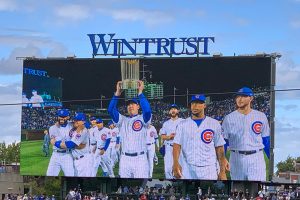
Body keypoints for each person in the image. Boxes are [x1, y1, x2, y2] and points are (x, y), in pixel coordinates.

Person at [173, 94, 227, 180]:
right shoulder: (182, 124)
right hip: (188, 167)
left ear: (204, 105)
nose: (195, 106)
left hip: (209, 168)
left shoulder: (214, 123)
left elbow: (219, 148)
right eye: (193, 103)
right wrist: (175, 163)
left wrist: (222, 171)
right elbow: (176, 145)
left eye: (199, 103)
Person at [222, 87, 270, 181]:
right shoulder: (229, 118)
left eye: (243, 96)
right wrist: (223, 159)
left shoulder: (261, 116)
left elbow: (266, 140)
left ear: (251, 98)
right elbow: (224, 141)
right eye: (237, 97)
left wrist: (271, 159)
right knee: (236, 187)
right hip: (236, 157)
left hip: (256, 157)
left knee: (258, 186)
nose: (239, 99)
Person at [108, 80, 152, 178]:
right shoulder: (122, 120)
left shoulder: (143, 118)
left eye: (133, 104)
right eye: (128, 104)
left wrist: (140, 93)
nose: (130, 106)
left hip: (140, 159)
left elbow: (148, 110)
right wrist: (117, 94)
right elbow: (110, 110)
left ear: (138, 106)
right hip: (125, 159)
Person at [56, 112, 92, 177]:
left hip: (84, 161)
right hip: (77, 160)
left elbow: (71, 145)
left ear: (83, 121)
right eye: (75, 120)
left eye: (77, 120)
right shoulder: (77, 129)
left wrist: (57, 143)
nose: (75, 122)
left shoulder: (82, 130)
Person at [46, 109, 75, 176]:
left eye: (64, 116)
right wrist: (57, 143)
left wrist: (57, 143)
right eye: (60, 116)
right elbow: (52, 141)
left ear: (68, 117)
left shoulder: (72, 126)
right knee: (49, 175)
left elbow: (83, 125)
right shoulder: (52, 128)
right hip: (55, 155)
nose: (61, 118)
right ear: (57, 117)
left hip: (67, 155)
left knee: (70, 175)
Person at [159, 104, 184, 179]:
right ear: (169, 111)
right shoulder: (166, 123)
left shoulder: (183, 121)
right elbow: (162, 136)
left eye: (175, 109)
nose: (173, 110)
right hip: (169, 148)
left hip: (180, 148)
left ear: (178, 111)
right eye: (171, 109)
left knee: (180, 170)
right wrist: (169, 137)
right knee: (167, 170)